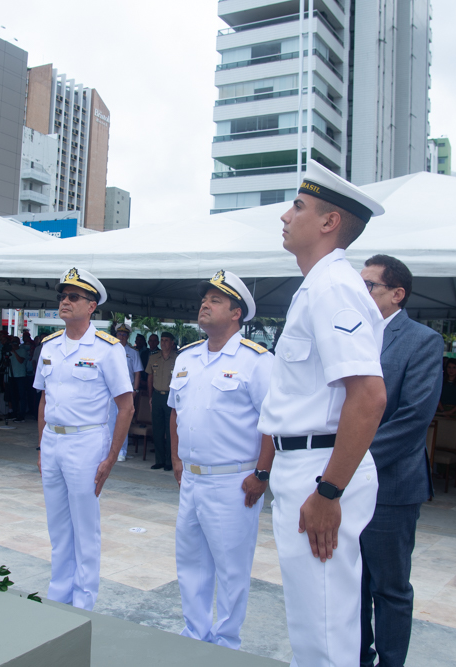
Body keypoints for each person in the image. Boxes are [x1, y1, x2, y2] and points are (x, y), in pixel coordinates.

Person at [257, 161, 388, 667]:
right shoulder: (317, 286)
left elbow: (369, 397)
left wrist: (329, 491)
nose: (286, 216)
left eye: (299, 206)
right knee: (312, 625)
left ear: (330, 222)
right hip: (305, 465)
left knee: (326, 633)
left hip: (322, 469)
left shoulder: (333, 286)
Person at [169, 270, 274, 649]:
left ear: (236, 313)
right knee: (191, 563)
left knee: (231, 569)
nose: (204, 305)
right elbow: (175, 412)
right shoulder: (187, 357)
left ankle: (228, 643)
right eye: (204, 299)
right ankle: (195, 636)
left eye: (215, 300)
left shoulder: (257, 361)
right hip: (193, 479)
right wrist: (177, 461)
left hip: (234, 481)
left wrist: (262, 474)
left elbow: (271, 423)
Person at [358, 254, 443, 667]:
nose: (362, 292)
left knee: (388, 588)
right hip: (344, 483)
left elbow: (414, 417)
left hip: (390, 483)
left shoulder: (422, 340)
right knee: (351, 584)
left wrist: (350, 460)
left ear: (397, 294)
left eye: (370, 285)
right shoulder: (351, 334)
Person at [34, 267, 134, 610]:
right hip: (53, 442)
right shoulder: (49, 346)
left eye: (73, 297)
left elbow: (126, 407)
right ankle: (59, 597)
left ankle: (84, 605)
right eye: (63, 296)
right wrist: (40, 446)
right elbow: (44, 400)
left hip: (86, 443)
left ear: (91, 306)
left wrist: (110, 457)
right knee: (58, 527)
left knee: (85, 530)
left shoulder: (108, 349)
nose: (65, 301)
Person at [111, 323, 142, 462]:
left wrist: (135, 390)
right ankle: (108, 450)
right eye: (119, 334)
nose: (121, 337)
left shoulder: (133, 353)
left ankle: (121, 451)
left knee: (123, 421)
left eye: (124, 335)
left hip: (126, 392)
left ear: (128, 336)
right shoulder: (109, 350)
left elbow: (137, 373)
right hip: (110, 392)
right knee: (109, 421)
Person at [148, 332, 178, 471]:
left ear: (172, 343)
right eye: (162, 340)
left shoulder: (178, 359)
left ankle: (169, 461)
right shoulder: (154, 358)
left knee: (171, 430)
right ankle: (159, 460)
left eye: (166, 340)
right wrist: (150, 397)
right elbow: (149, 378)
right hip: (157, 396)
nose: (163, 343)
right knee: (158, 429)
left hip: (170, 397)